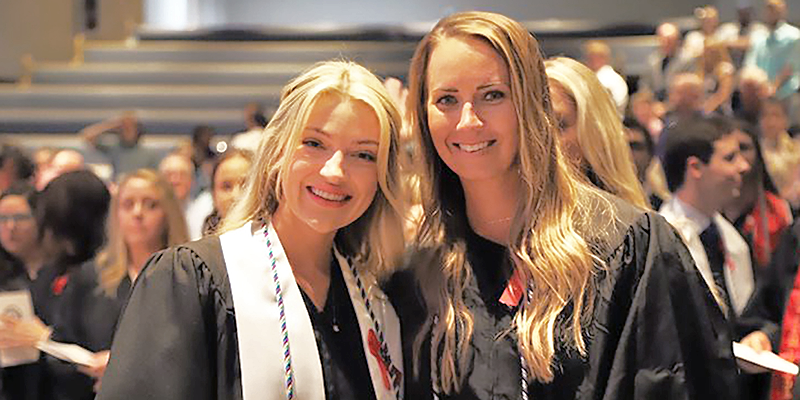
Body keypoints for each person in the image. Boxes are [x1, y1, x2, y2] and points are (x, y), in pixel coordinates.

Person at [404, 11, 737, 399]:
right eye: (446, 99)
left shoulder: (628, 247)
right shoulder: (423, 270)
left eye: (492, 95)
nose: (468, 121)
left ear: (531, 103)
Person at [97, 60, 407, 400]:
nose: (335, 171)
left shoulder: (377, 300)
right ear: (277, 151)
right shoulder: (191, 281)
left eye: (363, 154)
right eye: (314, 144)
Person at [0, 170, 111, 400]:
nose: (10, 227)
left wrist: (44, 339)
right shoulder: (48, 276)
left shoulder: (97, 279)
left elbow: (97, 358)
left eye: (21, 218)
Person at [545, 56, 648, 208]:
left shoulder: (638, 227)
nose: (539, 140)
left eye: (559, 125)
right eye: (529, 127)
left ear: (594, 133)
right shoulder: (504, 226)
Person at [722, 121, 792, 270]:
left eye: (744, 148)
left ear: (758, 154)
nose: (739, 159)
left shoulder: (776, 209)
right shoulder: (710, 208)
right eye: (730, 152)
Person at [745, 0, 800, 127]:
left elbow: (791, 65)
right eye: (768, 9)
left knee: (789, 131)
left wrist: (774, 87)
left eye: (775, 9)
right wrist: (760, 87)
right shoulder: (758, 37)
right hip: (762, 96)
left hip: (786, 94)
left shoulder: (794, 36)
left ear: (783, 11)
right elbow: (751, 65)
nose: (771, 13)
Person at [80, 113, 162, 179]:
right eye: (124, 129)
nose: (128, 132)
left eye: (131, 129)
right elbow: (87, 136)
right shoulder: (113, 149)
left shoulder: (149, 154)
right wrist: (112, 125)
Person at [200, 149, 253, 236]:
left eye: (245, 186)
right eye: (227, 187)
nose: (236, 195)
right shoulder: (197, 248)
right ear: (214, 196)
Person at [641, 22, 696, 102]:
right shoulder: (652, 60)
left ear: (678, 40)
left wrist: (666, 107)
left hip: (678, 105)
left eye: (670, 40)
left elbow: (689, 91)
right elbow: (645, 85)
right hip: (655, 105)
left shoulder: (688, 60)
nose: (666, 43)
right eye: (663, 40)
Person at [581, 40, 628, 117]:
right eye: (588, 57)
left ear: (603, 58)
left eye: (592, 57)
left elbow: (615, 105)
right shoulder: (588, 77)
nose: (589, 61)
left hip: (608, 123)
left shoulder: (613, 79)